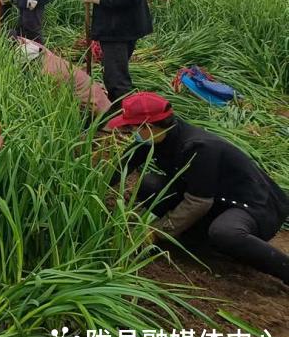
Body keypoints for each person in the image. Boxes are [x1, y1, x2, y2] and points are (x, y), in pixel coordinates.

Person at [108, 92, 289, 285]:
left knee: (224, 233)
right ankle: (199, 238)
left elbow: (198, 202)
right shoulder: (153, 137)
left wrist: (158, 231)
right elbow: (120, 166)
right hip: (214, 197)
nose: (128, 131)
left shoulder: (199, 148)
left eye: (130, 127)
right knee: (149, 185)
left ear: (148, 126)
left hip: (253, 205)